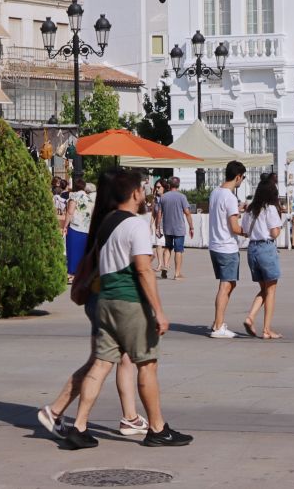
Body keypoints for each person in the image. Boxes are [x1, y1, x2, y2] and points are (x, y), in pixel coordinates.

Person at [59, 168, 192, 450]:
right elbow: (143, 269)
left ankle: (79, 427)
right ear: (134, 194)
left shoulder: (106, 222)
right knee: (147, 364)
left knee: (101, 363)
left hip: (105, 300)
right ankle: (157, 428)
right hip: (129, 301)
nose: (144, 194)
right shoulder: (135, 225)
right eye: (142, 189)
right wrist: (159, 310)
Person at [37, 168, 149, 443]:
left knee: (121, 359)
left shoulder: (104, 218)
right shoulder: (118, 221)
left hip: (100, 296)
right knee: (100, 362)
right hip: (108, 297)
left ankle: (130, 416)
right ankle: (55, 411)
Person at [208, 160, 246, 339]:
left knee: (229, 283)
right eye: (243, 178)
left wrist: (237, 210)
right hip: (226, 246)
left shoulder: (215, 192)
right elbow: (235, 228)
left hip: (215, 244)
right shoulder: (230, 197)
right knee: (226, 285)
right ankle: (218, 326)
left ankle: (218, 321)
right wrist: (250, 232)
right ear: (238, 177)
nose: (242, 181)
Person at [241, 179, 283, 339]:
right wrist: (279, 227)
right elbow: (274, 233)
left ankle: (250, 317)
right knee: (271, 290)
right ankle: (266, 329)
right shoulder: (270, 208)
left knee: (265, 289)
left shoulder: (250, 209)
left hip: (252, 249)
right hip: (266, 248)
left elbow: (245, 231)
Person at [156, 177, 193, 280]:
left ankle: (165, 265)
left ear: (169, 185)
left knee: (168, 247)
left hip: (167, 227)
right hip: (179, 228)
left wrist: (158, 227)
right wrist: (191, 227)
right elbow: (187, 213)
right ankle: (177, 274)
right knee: (178, 250)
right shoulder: (182, 197)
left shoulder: (163, 197)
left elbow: (159, 213)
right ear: (178, 185)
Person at [62, 179, 93, 279]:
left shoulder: (74, 196)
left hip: (74, 227)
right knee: (81, 251)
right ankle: (81, 274)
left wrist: (65, 226)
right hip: (86, 228)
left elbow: (70, 212)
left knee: (72, 250)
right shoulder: (89, 198)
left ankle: (71, 273)